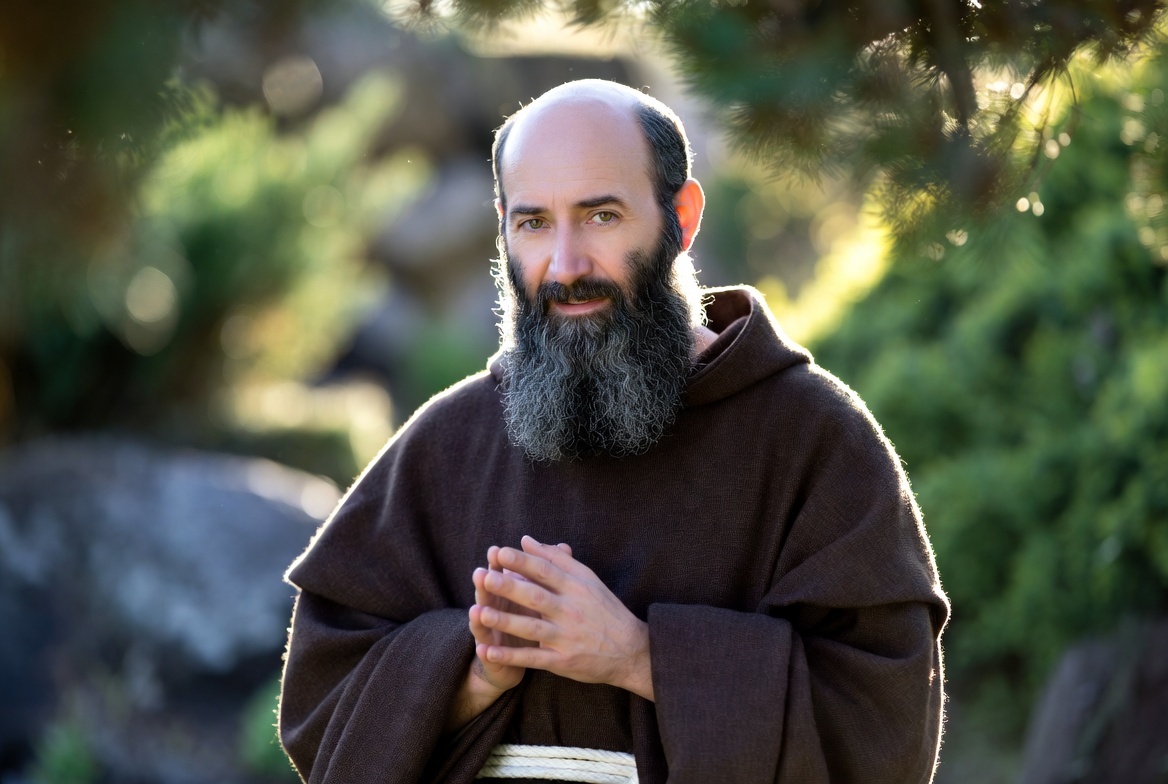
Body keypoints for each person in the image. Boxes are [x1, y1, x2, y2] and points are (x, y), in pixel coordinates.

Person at [278, 79, 949, 784]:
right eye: (534, 224)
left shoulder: (816, 441)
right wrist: (469, 673)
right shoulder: (450, 440)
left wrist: (639, 655)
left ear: (680, 218)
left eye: (600, 216)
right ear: (503, 226)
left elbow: (883, 727)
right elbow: (321, 699)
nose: (565, 266)